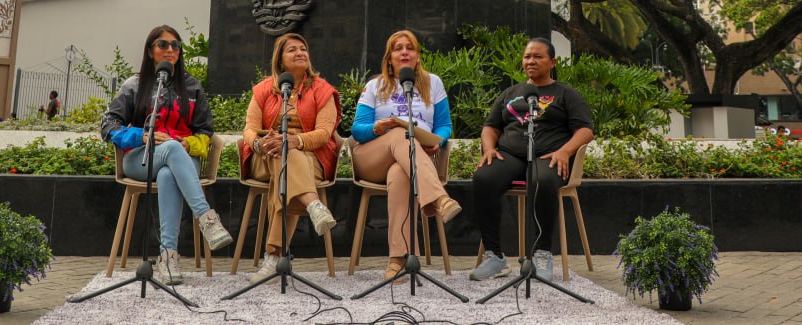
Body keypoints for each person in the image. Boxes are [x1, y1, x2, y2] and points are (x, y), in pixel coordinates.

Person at [101, 25, 232, 285]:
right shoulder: (134, 85)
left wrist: (188, 144)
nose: (170, 50)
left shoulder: (192, 87)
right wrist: (141, 136)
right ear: (150, 51)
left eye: (176, 45)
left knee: (168, 172)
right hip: (140, 158)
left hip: (183, 158)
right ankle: (207, 218)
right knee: (169, 151)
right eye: (163, 44)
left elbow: (205, 132)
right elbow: (108, 125)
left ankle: (168, 255)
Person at [469, 37, 595, 283]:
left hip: (548, 157)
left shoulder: (566, 94)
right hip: (510, 155)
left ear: (552, 62)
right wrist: (489, 148)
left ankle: (542, 253)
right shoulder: (511, 93)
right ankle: (494, 257)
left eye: (538, 56)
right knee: (484, 178)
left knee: (542, 180)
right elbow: (490, 127)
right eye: (527, 57)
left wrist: (564, 151)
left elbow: (585, 130)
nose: (531, 61)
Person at [351, 29, 461, 283]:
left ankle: (397, 260)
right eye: (397, 48)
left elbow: (444, 125)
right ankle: (439, 199)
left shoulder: (433, 83)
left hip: (412, 160)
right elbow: (357, 130)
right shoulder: (375, 86)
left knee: (400, 173)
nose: (404, 52)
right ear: (389, 58)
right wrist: (378, 128)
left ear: (418, 56)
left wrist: (438, 141)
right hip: (373, 157)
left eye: (409, 48)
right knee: (402, 134)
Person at [239, 33, 341, 281]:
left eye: (303, 49)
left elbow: (324, 132)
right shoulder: (264, 89)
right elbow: (249, 128)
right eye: (292, 49)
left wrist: (295, 141)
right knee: (280, 152)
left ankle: (273, 257)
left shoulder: (322, 90)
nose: (300, 53)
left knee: (285, 161)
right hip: (264, 157)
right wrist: (259, 143)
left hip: (310, 158)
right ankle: (313, 205)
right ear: (280, 59)